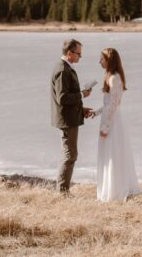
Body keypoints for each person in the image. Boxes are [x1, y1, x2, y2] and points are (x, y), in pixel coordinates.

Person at [95, 47, 140, 201]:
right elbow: (108, 104)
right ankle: (110, 189)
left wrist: (106, 127)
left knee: (113, 155)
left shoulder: (115, 78)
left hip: (112, 121)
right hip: (108, 117)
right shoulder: (109, 76)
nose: (99, 61)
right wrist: (96, 112)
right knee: (108, 154)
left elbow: (114, 106)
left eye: (101, 59)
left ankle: (115, 192)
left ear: (109, 61)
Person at [50, 38, 92, 195]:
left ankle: (62, 191)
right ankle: (62, 193)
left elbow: (66, 98)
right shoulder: (62, 70)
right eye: (78, 54)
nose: (80, 57)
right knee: (69, 155)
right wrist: (81, 94)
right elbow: (62, 98)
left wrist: (81, 110)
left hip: (70, 117)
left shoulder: (65, 68)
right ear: (69, 53)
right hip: (67, 121)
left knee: (70, 154)